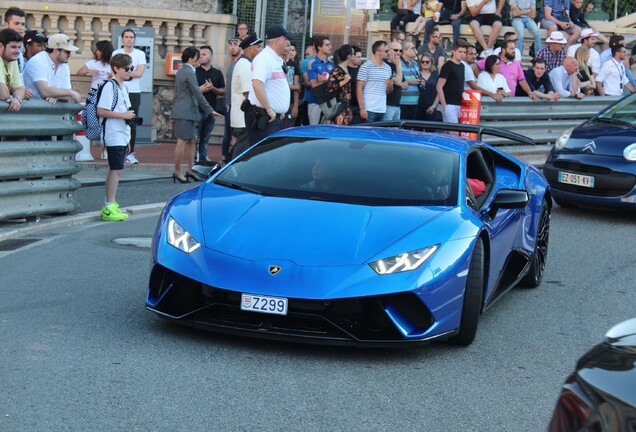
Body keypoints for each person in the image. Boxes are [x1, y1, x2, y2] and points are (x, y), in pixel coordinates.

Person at [96, 53, 135, 222]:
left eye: (131, 68)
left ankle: (110, 203)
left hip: (122, 133)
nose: (130, 71)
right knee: (116, 169)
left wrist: (128, 138)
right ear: (116, 69)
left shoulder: (123, 87)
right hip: (113, 132)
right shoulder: (110, 86)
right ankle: (108, 205)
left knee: (117, 169)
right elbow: (101, 110)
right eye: (127, 68)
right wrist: (123, 115)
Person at [171, 47, 217, 183]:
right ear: (191, 59)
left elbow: (177, 93)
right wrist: (210, 110)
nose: (200, 59)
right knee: (182, 141)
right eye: (198, 56)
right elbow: (197, 93)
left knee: (192, 140)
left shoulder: (183, 71)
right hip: (185, 112)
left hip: (188, 111)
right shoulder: (188, 72)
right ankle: (177, 171)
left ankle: (191, 170)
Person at [245, 25, 292, 145]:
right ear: (278, 40)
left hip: (270, 117)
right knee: (262, 157)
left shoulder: (274, 58)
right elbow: (257, 84)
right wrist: (269, 109)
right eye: (286, 40)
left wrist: (278, 111)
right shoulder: (264, 58)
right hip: (264, 117)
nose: (288, 43)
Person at [113, 29, 146, 164]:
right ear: (122, 39)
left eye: (131, 37)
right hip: (119, 89)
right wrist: (129, 72)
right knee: (117, 121)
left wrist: (124, 72)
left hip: (133, 92)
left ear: (134, 39)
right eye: (126, 37)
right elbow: (113, 72)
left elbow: (139, 73)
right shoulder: (116, 53)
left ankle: (130, 152)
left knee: (131, 123)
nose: (129, 39)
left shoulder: (140, 54)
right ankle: (117, 151)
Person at [76, 40, 114, 154]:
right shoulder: (92, 62)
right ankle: (90, 147)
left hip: (107, 93)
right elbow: (79, 72)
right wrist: (90, 71)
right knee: (92, 118)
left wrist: (111, 75)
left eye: (99, 50)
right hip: (94, 93)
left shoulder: (112, 64)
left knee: (106, 120)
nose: (97, 52)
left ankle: (105, 149)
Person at [23, 33, 81, 103]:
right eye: (67, 52)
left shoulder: (64, 65)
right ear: (56, 50)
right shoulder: (38, 61)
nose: (70, 55)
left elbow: (67, 97)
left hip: (45, 110)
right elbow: (44, 91)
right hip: (29, 110)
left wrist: (56, 96)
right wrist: (70, 92)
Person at [230, 34, 263, 158]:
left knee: (243, 152)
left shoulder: (246, 63)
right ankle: (229, 175)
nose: (260, 50)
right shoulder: (245, 65)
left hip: (244, 117)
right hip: (243, 118)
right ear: (249, 48)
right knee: (241, 154)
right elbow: (248, 93)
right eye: (258, 47)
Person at [195, 45, 225, 162]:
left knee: (206, 137)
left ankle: (203, 157)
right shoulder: (195, 72)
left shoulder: (217, 73)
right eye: (200, 54)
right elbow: (190, 91)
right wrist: (200, 89)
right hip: (197, 109)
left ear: (211, 57)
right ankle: (194, 158)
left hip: (211, 110)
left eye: (204, 54)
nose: (201, 57)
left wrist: (213, 88)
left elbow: (223, 91)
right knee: (196, 136)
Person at [357, 40, 393, 122]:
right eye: (386, 51)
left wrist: (390, 86)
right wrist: (362, 108)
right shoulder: (366, 66)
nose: (388, 53)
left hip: (382, 109)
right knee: (367, 133)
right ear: (378, 52)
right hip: (369, 108)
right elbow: (359, 88)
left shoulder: (388, 68)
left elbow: (389, 91)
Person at [221, 37, 242, 162]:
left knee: (236, 134)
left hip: (237, 104)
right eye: (231, 44)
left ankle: (233, 158)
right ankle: (225, 158)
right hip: (229, 103)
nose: (232, 47)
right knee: (228, 133)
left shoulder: (242, 63)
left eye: (236, 44)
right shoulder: (232, 63)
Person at [436, 39, 466, 123]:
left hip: (459, 104)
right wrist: (445, 106)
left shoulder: (462, 66)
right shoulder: (447, 66)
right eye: (460, 52)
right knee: (454, 132)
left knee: (452, 132)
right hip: (449, 104)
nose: (462, 54)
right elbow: (439, 86)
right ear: (453, 51)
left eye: (464, 52)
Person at [307, 36, 334, 125]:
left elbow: (334, 83)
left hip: (329, 102)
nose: (330, 47)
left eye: (330, 44)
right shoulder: (312, 63)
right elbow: (314, 85)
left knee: (327, 131)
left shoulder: (332, 64)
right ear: (319, 47)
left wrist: (322, 80)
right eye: (327, 45)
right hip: (315, 102)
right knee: (314, 131)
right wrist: (326, 81)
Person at [326, 44, 355, 125]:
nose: (354, 56)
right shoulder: (337, 70)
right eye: (353, 54)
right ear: (349, 56)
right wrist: (345, 81)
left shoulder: (347, 69)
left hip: (347, 105)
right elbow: (330, 87)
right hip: (339, 105)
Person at [0, 28, 27, 111]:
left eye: (19, 47)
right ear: (0, 46)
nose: (18, 51)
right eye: (13, 47)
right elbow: (3, 95)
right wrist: (11, 91)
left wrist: (17, 99)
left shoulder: (12, 60)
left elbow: (20, 89)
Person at [399, 40, 421, 120]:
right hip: (402, 102)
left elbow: (418, 77)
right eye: (413, 48)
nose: (416, 50)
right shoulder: (398, 63)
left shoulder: (415, 63)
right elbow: (395, 80)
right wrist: (408, 81)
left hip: (414, 101)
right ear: (404, 50)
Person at [384, 41, 406, 121]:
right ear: (389, 51)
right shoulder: (385, 65)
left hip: (397, 105)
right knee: (386, 131)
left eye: (400, 50)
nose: (398, 53)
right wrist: (398, 65)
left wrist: (397, 82)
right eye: (396, 50)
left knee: (395, 131)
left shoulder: (398, 66)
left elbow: (405, 85)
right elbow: (398, 81)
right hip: (387, 105)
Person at [416, 53, 440, 120]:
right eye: (422, 62)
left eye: (427, 62)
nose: (425, 63)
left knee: (430, 129)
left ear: (431, 62)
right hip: (417, 107)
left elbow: (439, 92)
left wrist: (433, 106)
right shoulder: (416, 74)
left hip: (431, 107)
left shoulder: (435, 75)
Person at [282, 41, 301, 129]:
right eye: (287, 45)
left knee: (288, 128)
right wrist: (294, 86)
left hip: (290, 103)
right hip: (277, 103)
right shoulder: (276, 62)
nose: (289, 49)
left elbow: (297, 87)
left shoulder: (294, 65)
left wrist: (295, 106)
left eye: (289, 46)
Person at [3, 7, 26, 72]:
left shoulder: (21, 48)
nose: (20, 27)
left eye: (23, 24)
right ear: (6, 25)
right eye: (16, 23)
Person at [298, 44, 316, 126]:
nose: (306, 56)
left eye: (308, 54)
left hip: (309, 99)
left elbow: (306, 82)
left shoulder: (305, 62)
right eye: (306, 55)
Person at [349, 45, 364, 124]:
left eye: (361, 57)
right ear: (351, 57)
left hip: (359, 106)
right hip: (348, 106)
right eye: (358, 57)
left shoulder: (362, 69)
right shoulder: (345, 70)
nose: (360, 59)